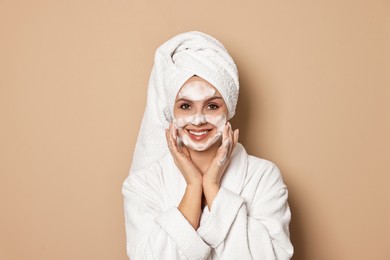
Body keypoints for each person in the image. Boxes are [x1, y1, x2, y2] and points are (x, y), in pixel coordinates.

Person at [122, 31, 293, 259]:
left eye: (212, 106)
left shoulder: (264, 177)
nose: (198, 119)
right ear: (170, 113)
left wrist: (211, 185)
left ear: (228, 109)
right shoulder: (142, 185)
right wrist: (194, 186)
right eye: (185, 106)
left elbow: (274, 256)